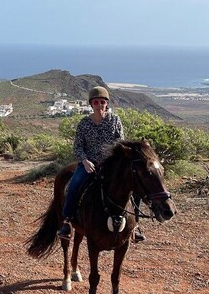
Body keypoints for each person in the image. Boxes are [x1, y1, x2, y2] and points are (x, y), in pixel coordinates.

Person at [57, 85, 144, 242]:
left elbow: (120, 144)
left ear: (107, 104)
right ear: (91, 104)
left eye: (102, 102)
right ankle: (68, 221)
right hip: (88, 164)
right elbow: (77, 147)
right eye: (96, 102)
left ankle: (135, 225)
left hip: (110, 165)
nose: (99, 105)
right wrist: (85, 161)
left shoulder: (115, 121)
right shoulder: (84, 123)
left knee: (134, 186)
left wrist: (114, 163)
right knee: (74, 184)